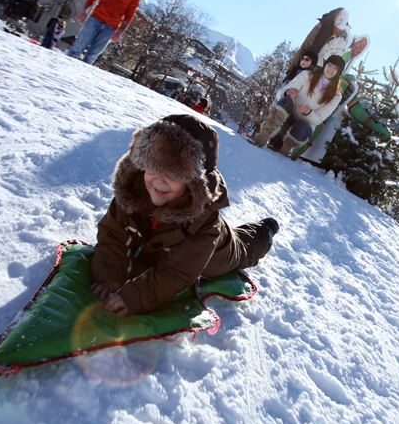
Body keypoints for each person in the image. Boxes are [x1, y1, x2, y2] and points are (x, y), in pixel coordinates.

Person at [90, 114, 280, 316]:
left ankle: (265, 230)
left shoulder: (206, 226)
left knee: (244, 250)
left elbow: (177, 273)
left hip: (217, 253)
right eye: (154, 167)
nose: (159, 180)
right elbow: (113, 234)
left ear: (193, 183)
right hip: (165, 246)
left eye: (174, 174)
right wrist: (109, 274)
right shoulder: (132, 192)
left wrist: (135, 296)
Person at [253, 54, 346, 155]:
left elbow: (320, 118)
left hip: (305, 122)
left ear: (338, 72)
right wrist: (288, 92)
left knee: (303, 129)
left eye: (335, 68)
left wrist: (309, 112)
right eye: (329, 65)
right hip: (288, 113)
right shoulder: (307, 75)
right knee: (286, 100)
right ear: (325, 65)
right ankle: (263, 136)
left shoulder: (336, 95)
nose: (330, 69)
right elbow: (281, 93)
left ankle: (284, 149)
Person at [66, 0, 140, 65]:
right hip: (95, 19)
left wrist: (119, 32)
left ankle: (79, 77)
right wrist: (84, 11)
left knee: (92, 55)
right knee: (77, 47)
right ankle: (64, 70)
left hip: (110, 27)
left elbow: (129, 16)